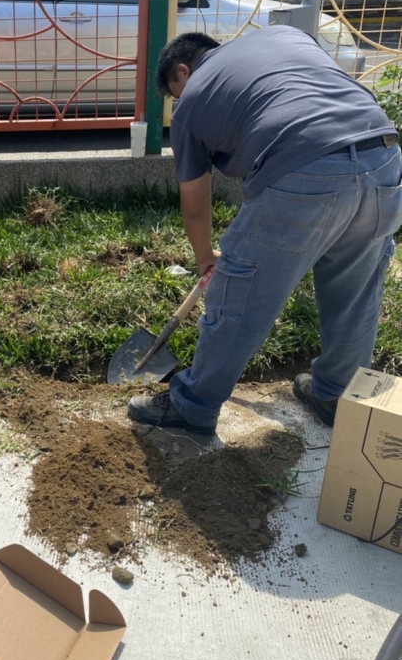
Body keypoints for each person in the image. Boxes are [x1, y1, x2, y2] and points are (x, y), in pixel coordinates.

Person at [128, 25, 402, 436]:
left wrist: (206, 257)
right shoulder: (284, 35)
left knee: (241, 292)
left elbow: (195, 205)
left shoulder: (192, 102)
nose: (179, 103)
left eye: (175, 93)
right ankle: (333, 394)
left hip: (306, 171)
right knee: (355, 292)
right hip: (383, 158)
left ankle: (192, 406)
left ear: (183, 71)